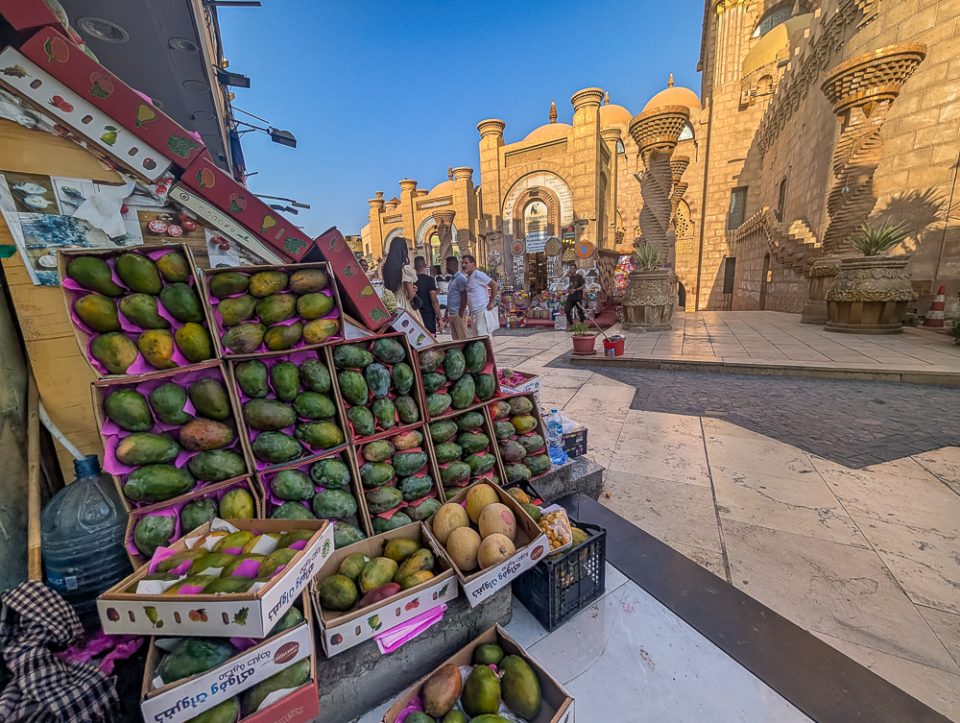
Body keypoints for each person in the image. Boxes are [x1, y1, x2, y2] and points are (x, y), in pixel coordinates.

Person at [381, 237, 422, 323]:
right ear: (403, 250)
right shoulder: (405, 268)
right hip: (404, 305)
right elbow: (411, 294)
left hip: (391, 305)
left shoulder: (385, 268)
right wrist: (413, 291)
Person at [461, 254, 498, 337]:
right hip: (474, 313)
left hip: (482, 311)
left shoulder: (478, 274)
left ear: (473, 264)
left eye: (466, 263)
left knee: (484, 339)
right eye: (462, 263)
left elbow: (494, 285)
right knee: (477, 340)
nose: (463, 265)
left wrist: (491, 302)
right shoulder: (469, 278)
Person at [414, 255, 442, 334]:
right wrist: (439, 317)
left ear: (414, 267)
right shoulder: (429, 280)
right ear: (425, 265)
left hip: (415, 315)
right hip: (428, 315)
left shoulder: (412, 281)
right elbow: (434, 300)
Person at [443, 255, 468, 340]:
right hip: (452, 314)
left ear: (453, 266)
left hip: (458, 313)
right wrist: (446, 312)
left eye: (447, 265)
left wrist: (460, 312)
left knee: (462, 337)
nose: (446, 268)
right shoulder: (452, 279)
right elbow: (450, 297)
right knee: (455, 338)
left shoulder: (461, 278)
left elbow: (464, 296)